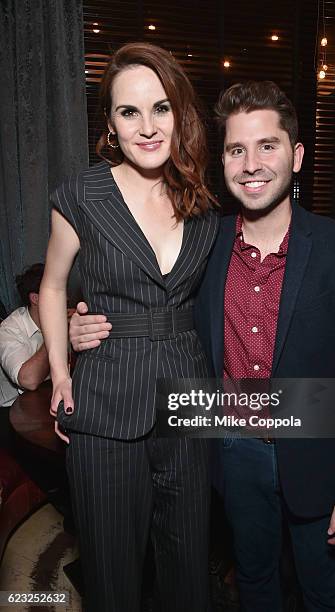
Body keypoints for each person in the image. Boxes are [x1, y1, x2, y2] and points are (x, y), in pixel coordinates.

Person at [70, 80, 335, 612]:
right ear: (222, 161)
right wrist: (85, 332)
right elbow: (151, 310)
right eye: (237, 149)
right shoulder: (202, 242)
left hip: (320, 457)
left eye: (268, 146)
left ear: (297, 155)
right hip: (233, 453)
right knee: (254, 582)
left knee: (325, 591)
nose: (252, 163)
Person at [39, 42, 219, 612]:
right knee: (113, 571)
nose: (147, 127)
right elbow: (51, 285)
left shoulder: (204, 200)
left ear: (180, 114)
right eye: (129, 112)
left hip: (190, 400)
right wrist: (62, 371)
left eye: (161, 108)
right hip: (105, 401)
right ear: (110, 126)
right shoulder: (81, 194)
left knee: (189, 565)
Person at [0, 263, 50, 409]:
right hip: (12, 411)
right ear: (35, 299)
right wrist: (55, 335)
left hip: (47, 399)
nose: (65, 298)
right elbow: (29, 380)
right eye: (56, 292)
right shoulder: (8, 330)